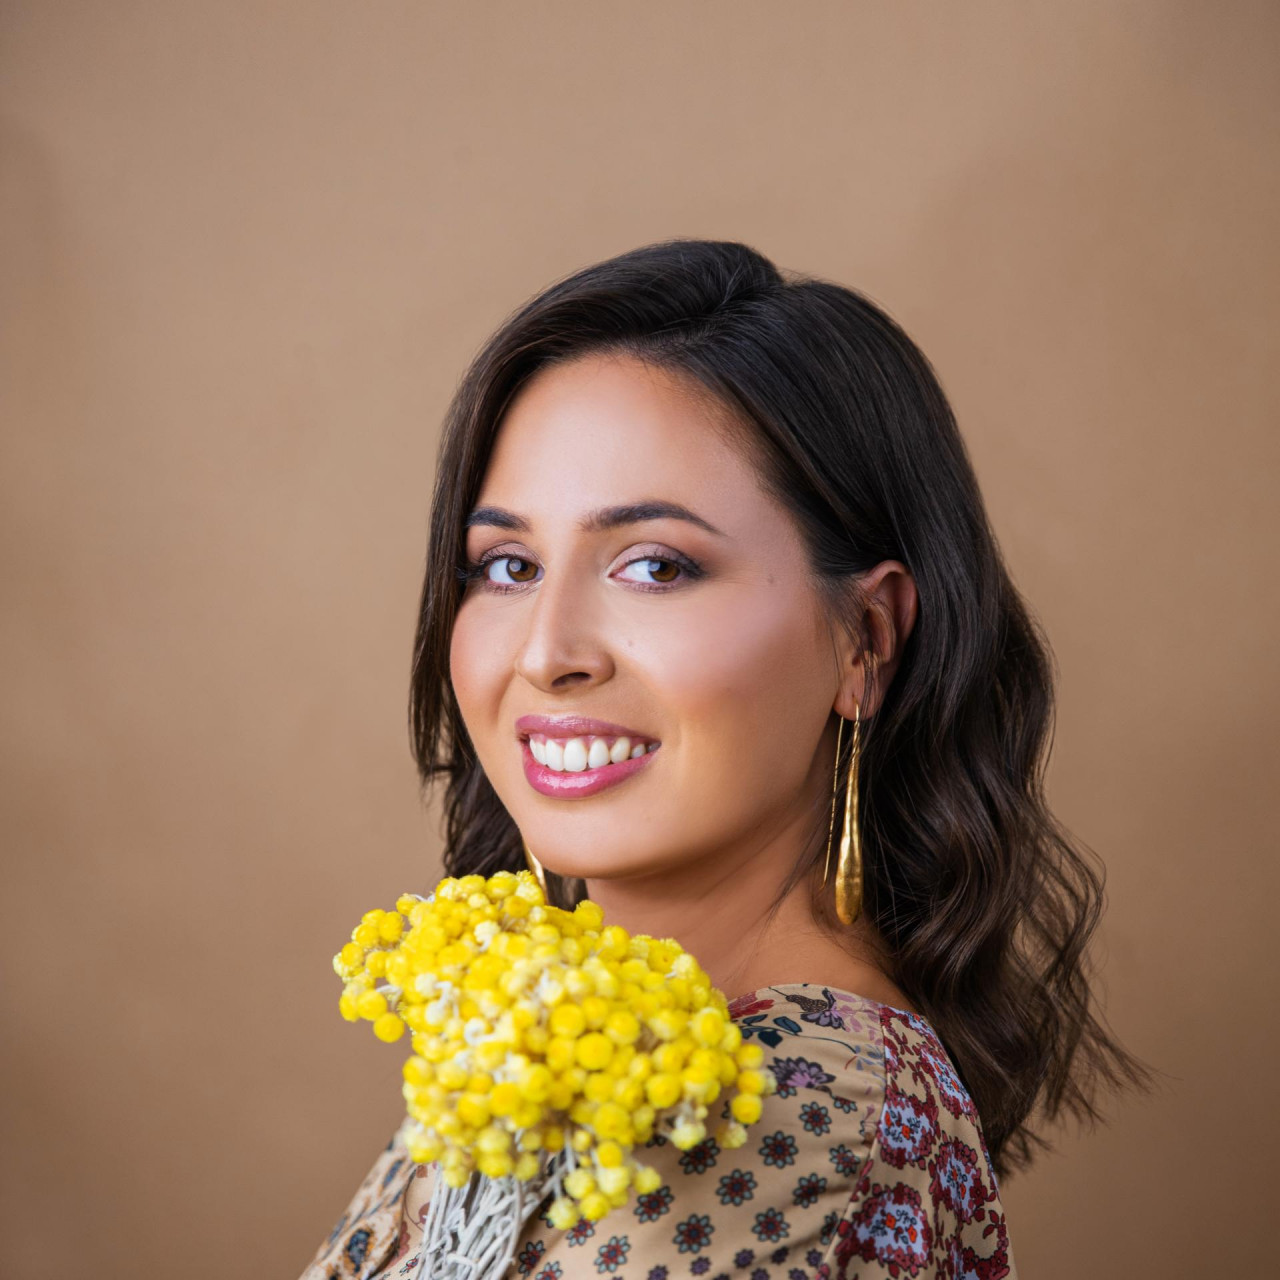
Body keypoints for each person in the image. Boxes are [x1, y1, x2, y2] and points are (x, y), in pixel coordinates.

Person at [302, 240, 1148, 1279]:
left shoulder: (804, 1112)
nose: (546, 652)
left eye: (655, 566)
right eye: (508, 566)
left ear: (866, 640)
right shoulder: (551, 1063)